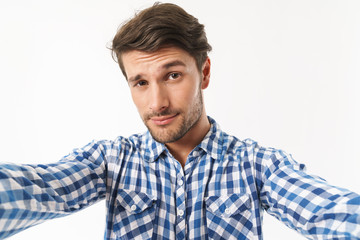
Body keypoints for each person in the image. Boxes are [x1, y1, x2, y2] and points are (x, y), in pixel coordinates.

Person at [0, 2, 359, 240]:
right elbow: (37, 189)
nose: (156, 103)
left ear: (203, 72)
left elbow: (330, 211)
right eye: (140, 82)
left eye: (172, 76)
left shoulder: (257, 166)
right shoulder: (110, 162)